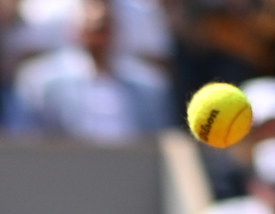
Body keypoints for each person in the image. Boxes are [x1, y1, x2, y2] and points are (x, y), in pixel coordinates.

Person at [13, 0, 166, 140]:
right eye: (92, 30)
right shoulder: (41, 82)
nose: (98, 39)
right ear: (77, 32)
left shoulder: (149, 85)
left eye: (104, 30)